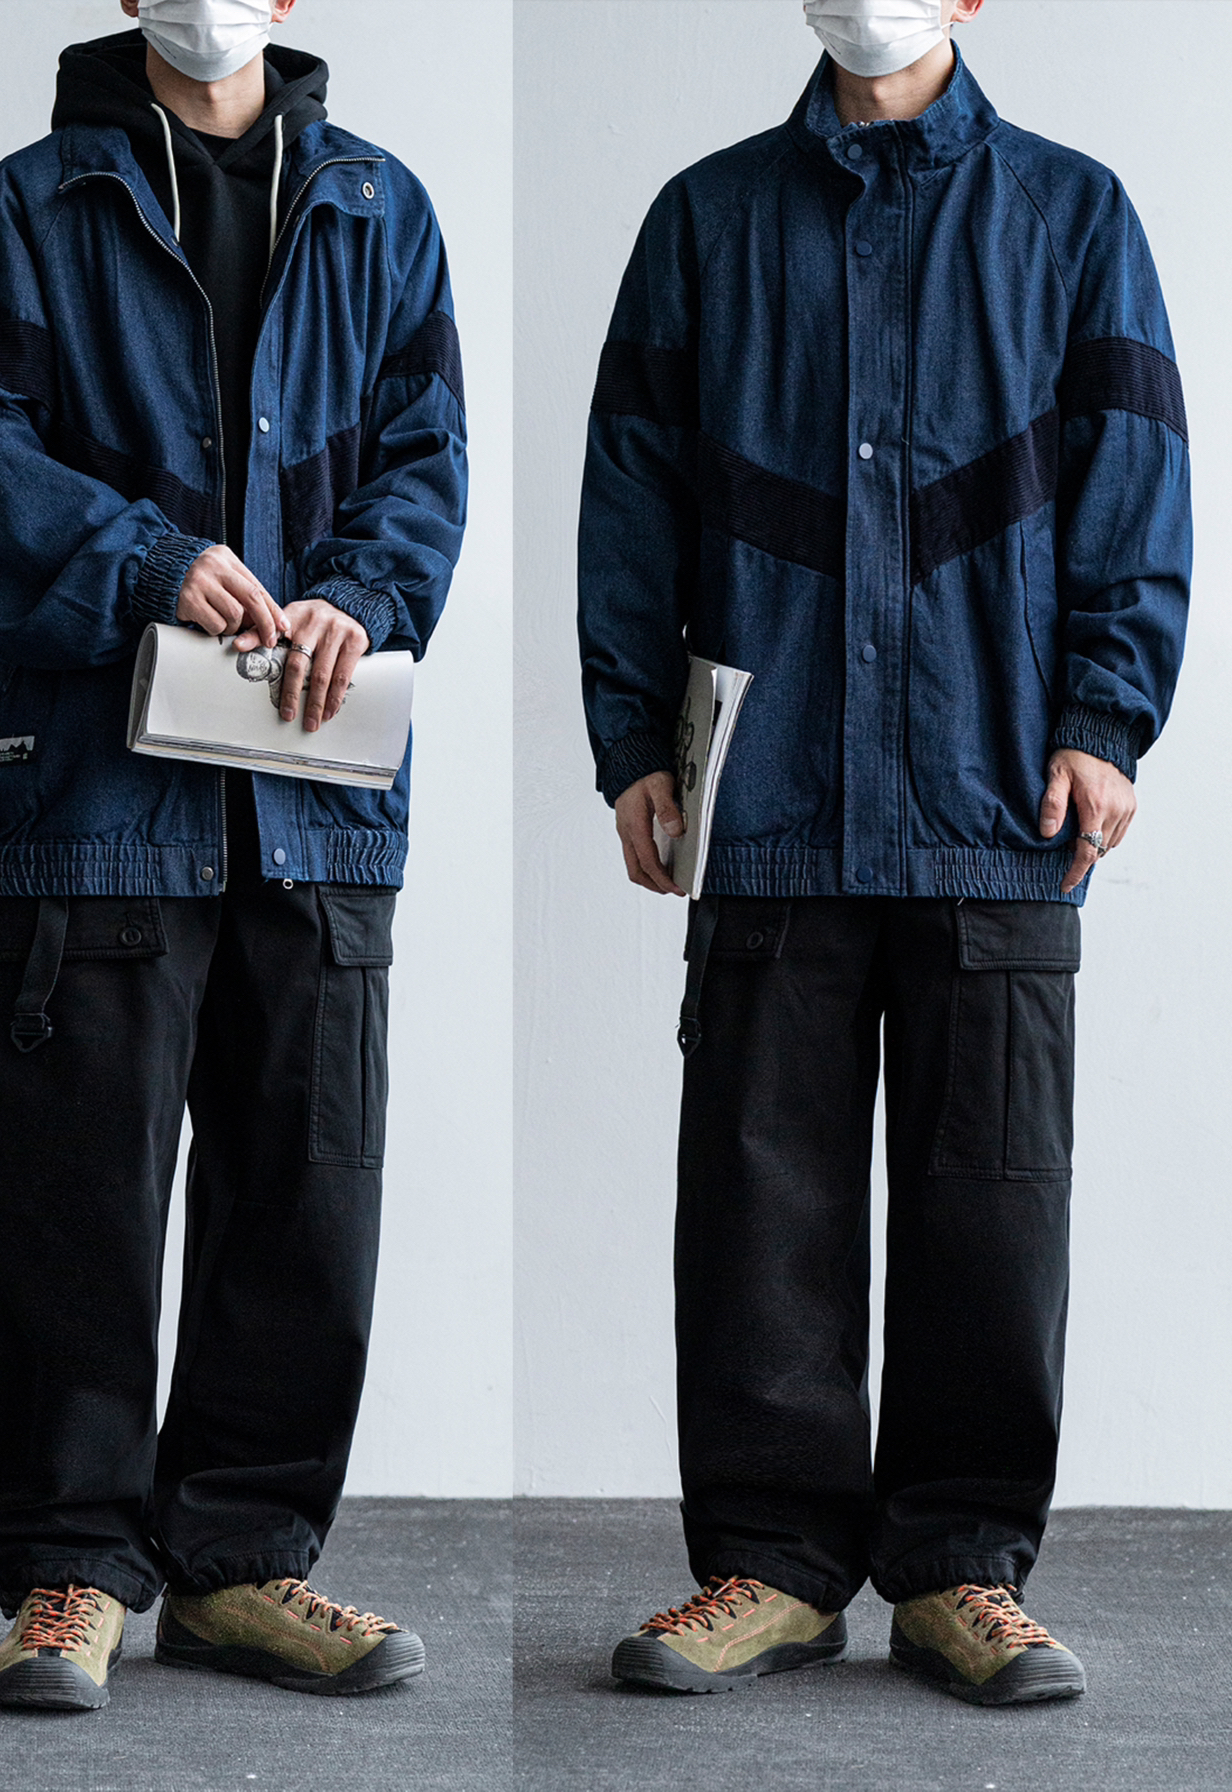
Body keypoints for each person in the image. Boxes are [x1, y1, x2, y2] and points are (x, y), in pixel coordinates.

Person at [577, 0, 1189, 1705]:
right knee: (757, 1197)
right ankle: (771, 1566)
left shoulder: (1073, 215)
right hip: (769, 798)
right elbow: (630, 489)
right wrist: (632, 741)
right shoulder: (708, 220)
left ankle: (962, 1571)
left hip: (997, 804)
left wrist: (1107, 714)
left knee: (994, 1201)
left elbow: (1134, 473)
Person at [0, 0, 466, 1711]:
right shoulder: (32, 207)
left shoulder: (379, 206)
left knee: (307, 1194)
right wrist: (147, 561)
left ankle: (240, 1567)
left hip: (312, 792)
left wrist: (357, 595)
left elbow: (426, 457)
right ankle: (69, 1577)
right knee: (68, 1200)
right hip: (92, 793)